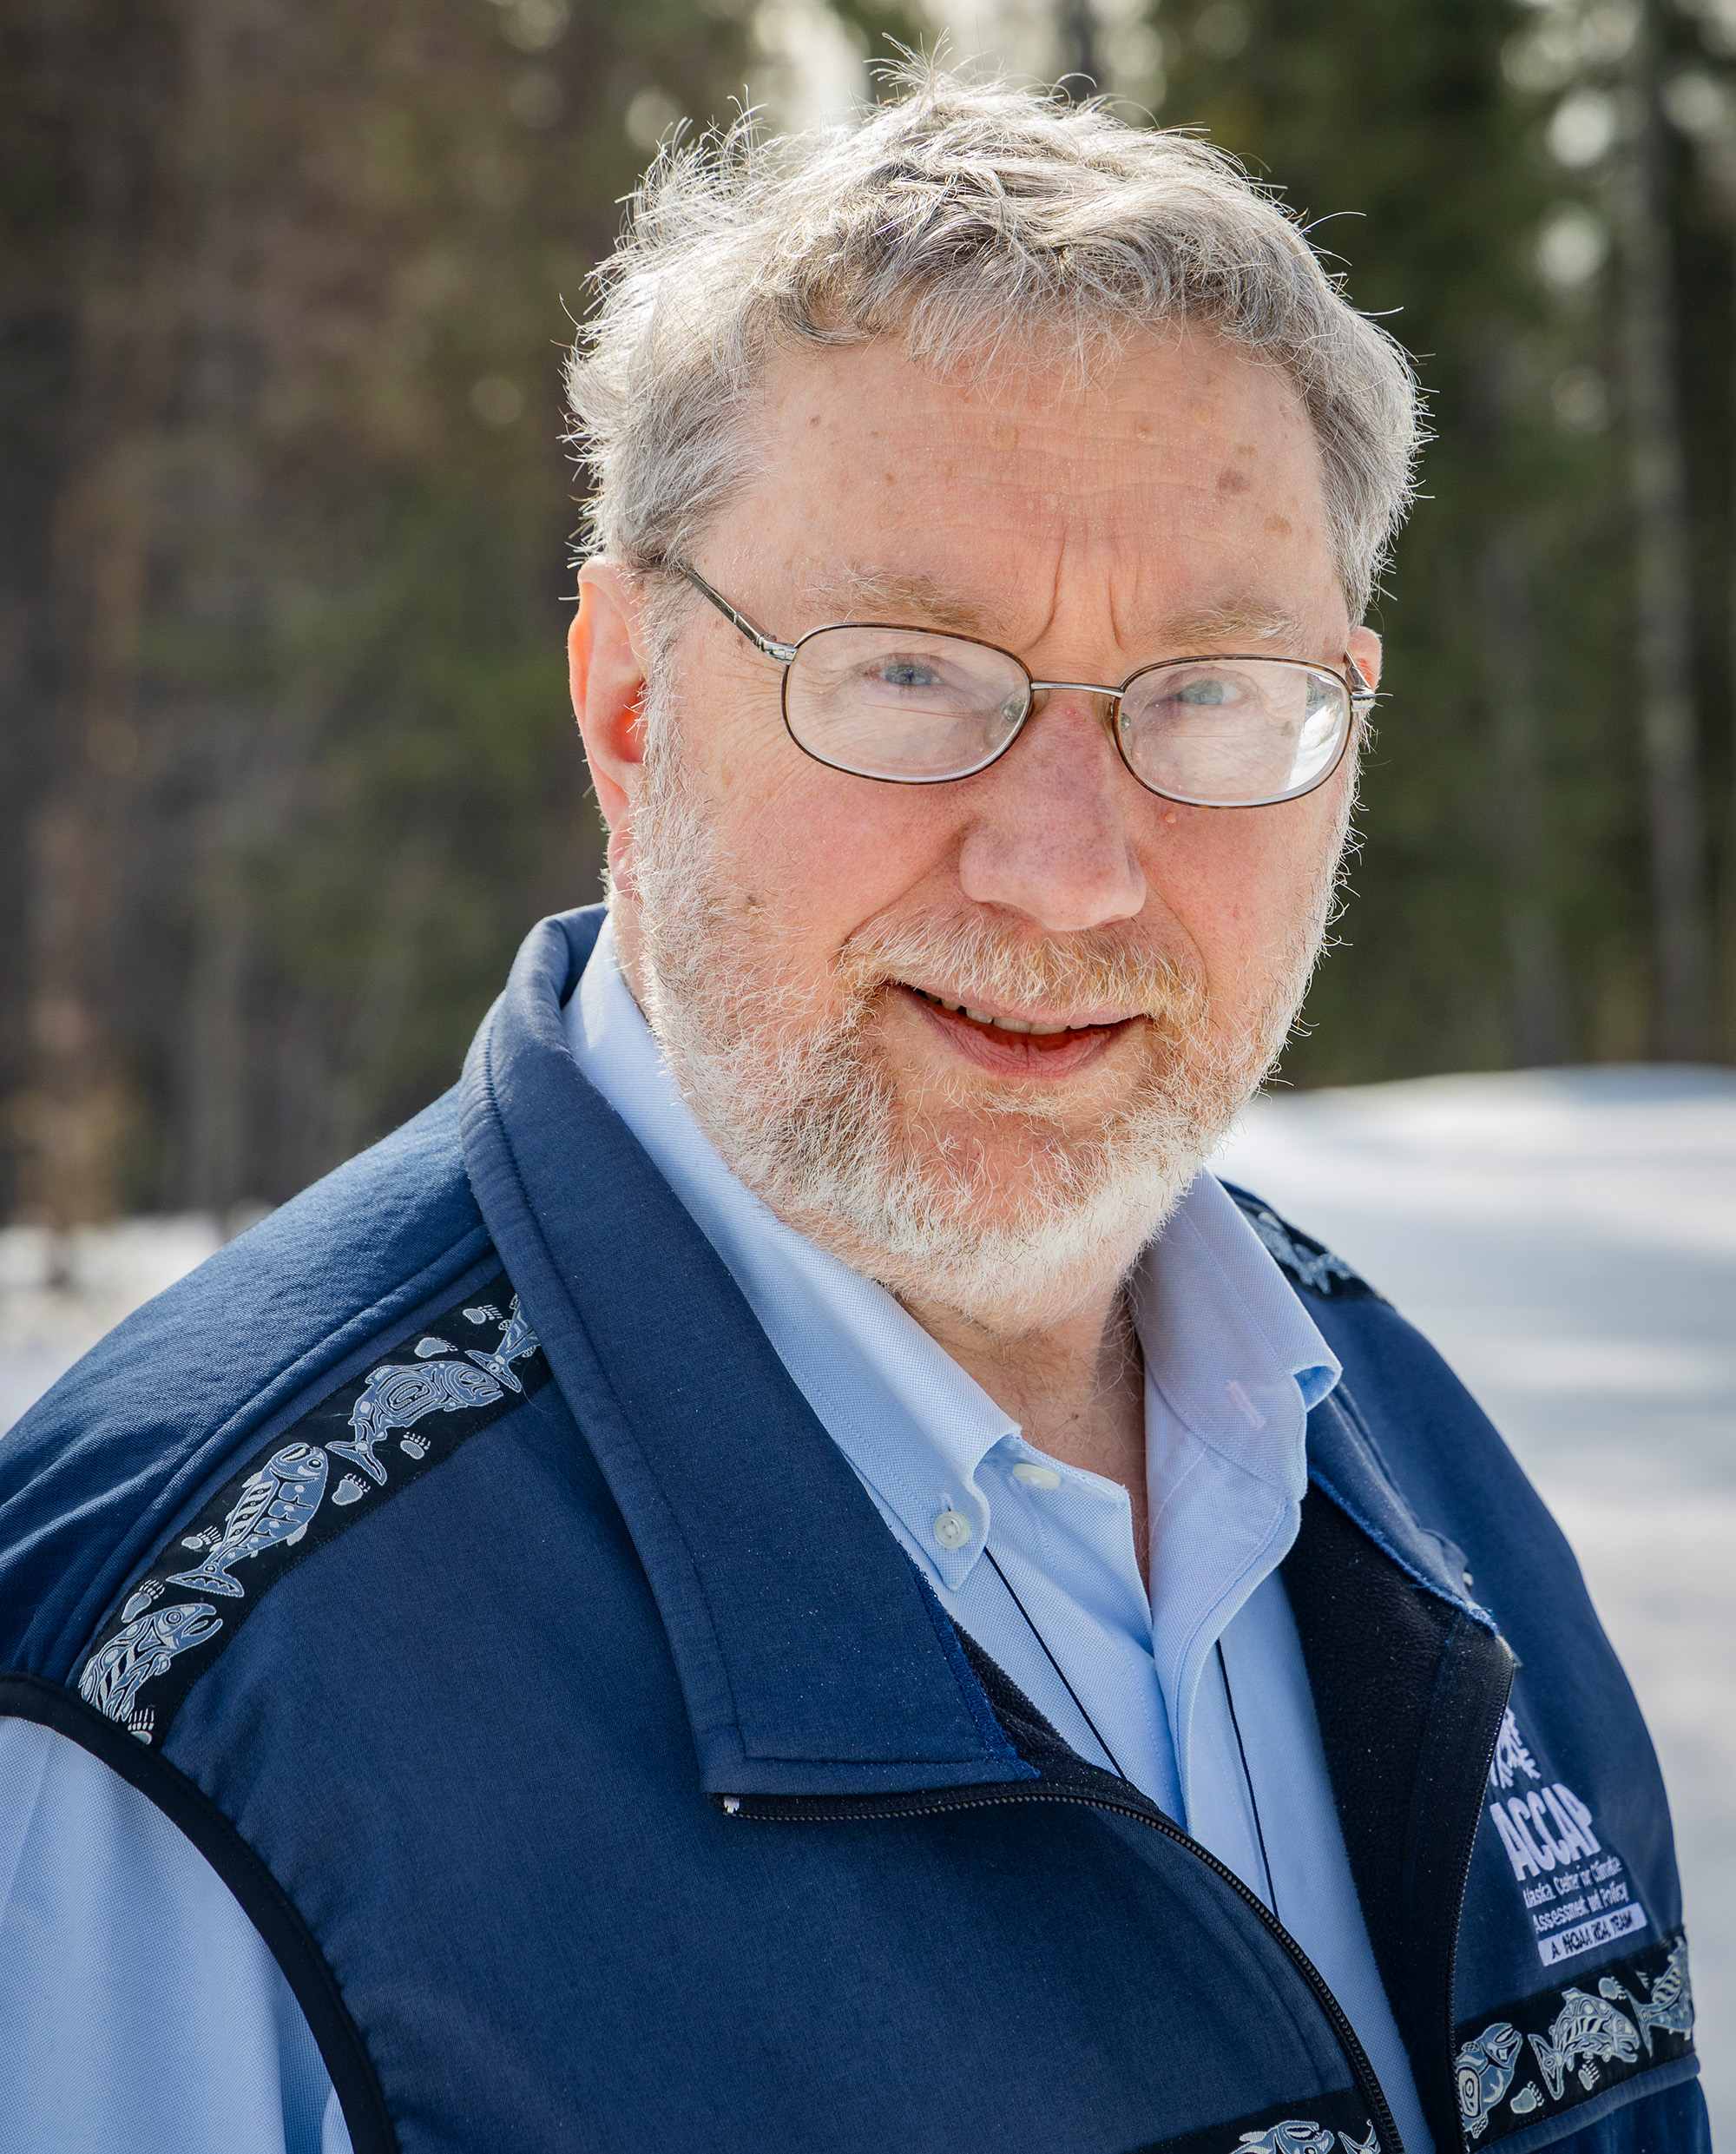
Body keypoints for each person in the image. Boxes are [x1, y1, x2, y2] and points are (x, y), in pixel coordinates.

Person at [0, 67, 1706, 2154]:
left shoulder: (1409, 1465)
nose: (1069, 869)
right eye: (908, 672)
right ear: (633, 704)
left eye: (1206, 687)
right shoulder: (184, 1700)